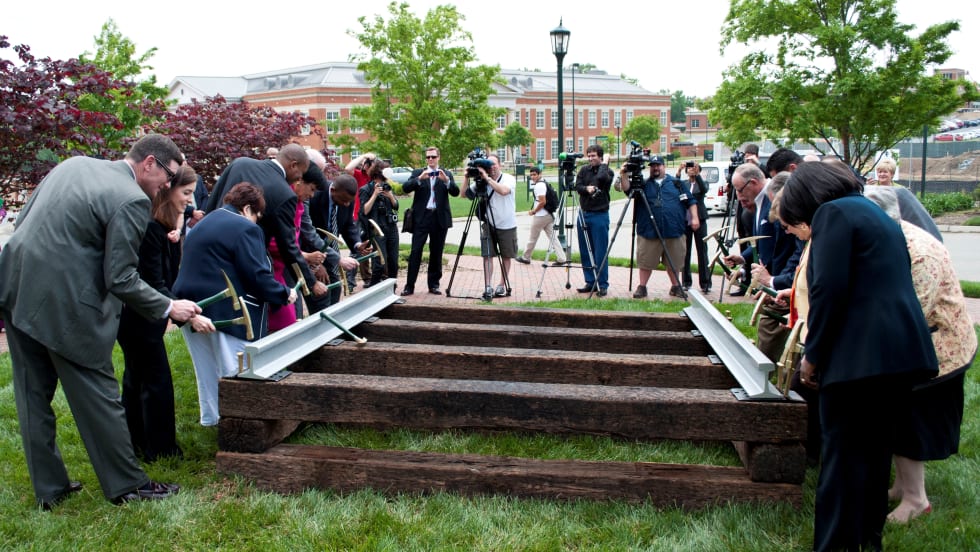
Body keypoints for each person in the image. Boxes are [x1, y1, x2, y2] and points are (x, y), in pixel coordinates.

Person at [0, 134, 201, 507]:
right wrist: (168, 307)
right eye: (170, 176)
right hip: (64, 303)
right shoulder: (132, 199)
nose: (168, 185)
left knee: (31, 394)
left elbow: (27, 220)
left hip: (15, 284)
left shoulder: (75, 164)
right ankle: (128, 485)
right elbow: (121, 277)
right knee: (99, 392)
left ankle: (50, 489)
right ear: (149, 163)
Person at [778, 162, 938, 552]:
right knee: (875, 457)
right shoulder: (874, 212)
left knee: (841, 463)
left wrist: (813, 355)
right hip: (899, 354)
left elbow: (828, 290)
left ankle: (835, 545)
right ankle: (868, 540)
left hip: (859, 358)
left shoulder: (833, 214)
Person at [862, 186, 976, 524]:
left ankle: (916, 499)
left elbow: (912, 313)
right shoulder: (893, 238)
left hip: (939, 349)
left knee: (912, 422)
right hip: (916, 344)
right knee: (900, 417)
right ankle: (902, 486)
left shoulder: (919, 251)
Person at [173, 182, 298, 427]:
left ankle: (213, 419)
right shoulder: (245, 227)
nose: (256, 221)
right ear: (248, 208)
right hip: (226, 309)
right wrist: (284, 293)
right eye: (257, 216)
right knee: (236, 370)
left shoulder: (206, 221)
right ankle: (240, 424)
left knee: (206, 371)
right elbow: (257, 275)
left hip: (189, 306)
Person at [117, 164, 207, 463]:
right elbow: (154, 283)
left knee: (137, 380)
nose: (190, 200)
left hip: (141, 316)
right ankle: (161, 449)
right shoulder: (152, 229)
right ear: (167, 190)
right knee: (155, 384)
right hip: (139, 318)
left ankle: (135, 442)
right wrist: (187, 315)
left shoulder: (163, 227)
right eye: (186, 192)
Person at [204, 143, 326, 300]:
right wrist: (311, 282)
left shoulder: (240, 163)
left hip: (209, 251)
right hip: (242, 263)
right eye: (300, 174)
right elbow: (288, 246)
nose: (299, 179)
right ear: (293, 165)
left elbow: (213, 202)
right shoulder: (285, 194)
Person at [724, 163, 803, 363]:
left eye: (739, 190)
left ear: (752, 183)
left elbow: (789, 248)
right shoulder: (760, 202)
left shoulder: (774, 199)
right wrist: (744, 264)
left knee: (771, 332)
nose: (738, 196)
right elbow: (763, 242)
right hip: (780, 282)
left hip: (784, 283)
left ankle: (766, 372)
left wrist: (774, 281)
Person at [620, 156, 698, 299]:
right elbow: (627, 190)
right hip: (649, 231)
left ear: (664, 166)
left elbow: (691, 201)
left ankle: (676, 286)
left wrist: (695, 217)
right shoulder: (643, 185)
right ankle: (642, 286)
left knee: (674, 262)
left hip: (674, 230)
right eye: (652, 165)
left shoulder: (677, 184)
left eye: (658, 165)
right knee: (645, 262)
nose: (655, 168)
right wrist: (624, 174)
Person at [267, 162, 326, 331]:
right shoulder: (285, 200)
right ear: (299, 181)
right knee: (284, 323)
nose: (312, 195)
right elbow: (275, 243)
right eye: (312, 189)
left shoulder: (298, 203)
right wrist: (305, 256)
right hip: (271, 271)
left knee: (289, 319)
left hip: (282, 269)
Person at [401, 146, 459, 296]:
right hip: (421, 218)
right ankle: (409, 286)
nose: (430, 159)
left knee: (436, 252)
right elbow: (405, 188)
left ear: (439, 157)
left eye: (433, 156)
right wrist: (419, 179)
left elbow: (456, 192)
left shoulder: (446, 174)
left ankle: (433, 285)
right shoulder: (418, 173)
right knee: (415, 251)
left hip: (439, 218)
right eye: (428, 157)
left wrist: (447, 181)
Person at [307, 174, 367, 306]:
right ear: (333, 190)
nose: (346, 204)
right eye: (344, 200)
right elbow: (307, 233)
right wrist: (316, 264)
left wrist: (357, 244)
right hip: (311, 253)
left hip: (330, 253)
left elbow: (348, 224)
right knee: (321, 296)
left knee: (335, 289)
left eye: (349, 201)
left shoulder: (347, 198)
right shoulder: (315, 196)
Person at [463, 154, 517, 299]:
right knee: (487, 255)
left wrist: (487, 178)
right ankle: (488, 286)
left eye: (493, 164)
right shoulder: (482, 180)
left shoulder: (508, 178)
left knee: (506, 256)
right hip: (488, 224)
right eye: (488, 164)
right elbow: (464, 195)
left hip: (507, 224)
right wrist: (466, 177)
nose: (491, 167)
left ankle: (501, 285)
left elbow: (503, 191)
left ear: (499, 164)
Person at [869, 156, 943, 241]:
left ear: (892, 174)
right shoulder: (872, 189)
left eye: (885, 172)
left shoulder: (900, 190)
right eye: (879, 172)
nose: (882, 174)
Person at [574, 144, 615, 295]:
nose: (590, 158)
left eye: (593, 156)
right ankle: (590, 281)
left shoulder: (608, 171)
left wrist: (605, 164)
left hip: (599, 214)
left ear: (600, 157)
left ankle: (602, 284)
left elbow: (601, 179)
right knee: (585, 250)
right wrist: (586, 189)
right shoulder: (584, 170)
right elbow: (578, 186)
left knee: (600, 251)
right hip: (584, 214)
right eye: (589, 155)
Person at [359, 160, 400, 286]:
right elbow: (364, 211)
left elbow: (396, 206)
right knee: (380, 264)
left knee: (393, 262)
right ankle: (374, 289)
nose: (382, 183)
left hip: (391, 228)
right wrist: (375, 194)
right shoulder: (366, 189)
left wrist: (390, 196)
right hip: (377, 230)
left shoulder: (387, 188)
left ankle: (392, 289)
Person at [516, 165, 567, 266]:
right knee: (553, 238)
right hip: (548, 215)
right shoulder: (544, 183)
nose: (532, 177)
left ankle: (526, 257)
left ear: (540, 174)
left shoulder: (539, 186)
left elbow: (542, 202)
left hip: (540, 216)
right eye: (531, 175)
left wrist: (534, 211)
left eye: (534, 174)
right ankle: (562, 258)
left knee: (532, 238)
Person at [345, 152, 377, 288]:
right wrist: (363, 156)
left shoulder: (376, 177)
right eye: (366, 163)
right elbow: (347, 169)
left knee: (373, 247)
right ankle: (350, 281)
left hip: (374, 216)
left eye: (369, 163)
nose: (366, 165)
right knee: (357, 247)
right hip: (359, 217)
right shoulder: (359, 175)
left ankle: (370, 278)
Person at [678, 161, 711, 293]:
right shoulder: (684, 184)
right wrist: (679, 171)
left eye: (693, 168)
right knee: (685, 251)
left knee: (702, 250)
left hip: (700, 219)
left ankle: (705, 282)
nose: (690, 170)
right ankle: (686, 281)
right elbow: (676, 186)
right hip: (686, 219)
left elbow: (703, 189)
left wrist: (697, 175)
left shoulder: (702, 182)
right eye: (689, 168)